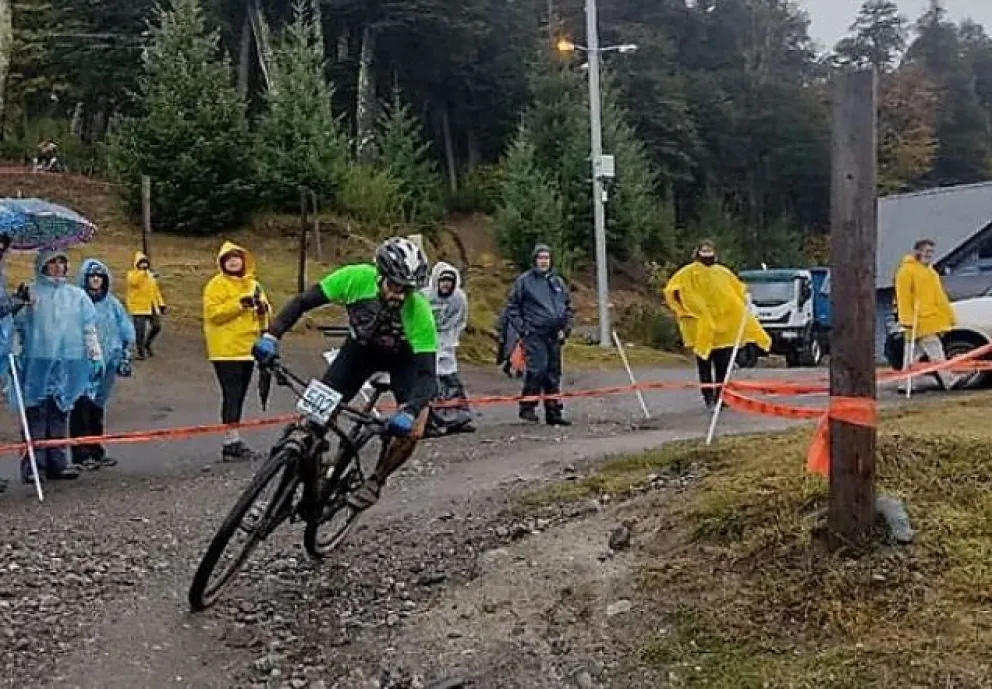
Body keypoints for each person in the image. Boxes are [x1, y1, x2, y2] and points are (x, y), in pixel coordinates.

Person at [252, 237, 437, 511]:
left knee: (415, 428)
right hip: (358, 353)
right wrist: (272, 336)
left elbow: (428, 376)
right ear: (380, 275)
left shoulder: (418, 311)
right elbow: (302, 302)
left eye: (408, 290)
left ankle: (376, 480)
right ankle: (285, 491)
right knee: (308, 423)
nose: (400, 295)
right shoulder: (354, 278)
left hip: (403, 361)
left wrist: (409, 411)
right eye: (396, 286)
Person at [12, 250, 104, 482]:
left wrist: (95, 355)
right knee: (36, 412)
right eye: (52, 263)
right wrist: (15, 352)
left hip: (68, 360)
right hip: (38, 360)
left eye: (61, 262)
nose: (57, 267)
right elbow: (18, 327)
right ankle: (34, 466)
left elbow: (88, 328)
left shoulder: (77, 296)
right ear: (42, 266)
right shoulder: (31, 293)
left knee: (60, 411)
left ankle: (58, 463)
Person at [663, 240, 771, 409]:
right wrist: (687, 310)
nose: (707, 254)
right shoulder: (687, 273)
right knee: (705, 366)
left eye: (710, 251)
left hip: (725, 331)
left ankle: (722, 396)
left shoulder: (723, 272)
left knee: (723, 367)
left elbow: (737, 291)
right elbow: (672, 291)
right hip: (703, 331)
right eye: (704, 251)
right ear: (697, 253)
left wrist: (745, 298)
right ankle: (709, 397)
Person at [203, 242, 271, 462]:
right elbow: (213, 314)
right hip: (225, 349)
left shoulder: (254, 284)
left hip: (248, 348)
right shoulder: (216, 284)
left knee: (240, 394)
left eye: (237, 257)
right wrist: (239, 304)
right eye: (228, 258)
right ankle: (230, 442)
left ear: (244, 260)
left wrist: (263, 310)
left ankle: (233, 439)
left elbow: (265, 313)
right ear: (222, 262)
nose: (233, 261)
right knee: (231, 393)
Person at [69, 260, 135, 469]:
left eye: (100, 276)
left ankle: (96, 449)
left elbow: (125, 329)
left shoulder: (112, 304)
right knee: (81, 407)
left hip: (107, 364)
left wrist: (124, 355)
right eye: (92, 276)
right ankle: (81, 453)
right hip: (82, 364)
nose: (96, 280)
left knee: (97, 407)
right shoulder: (77, 303)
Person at [502, 243, 574, 426]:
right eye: (541, 258)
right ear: (534, 260)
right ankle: (528, 406)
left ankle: (553, 411)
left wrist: (565, 329)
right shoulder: (524, 281)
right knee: (537, 370)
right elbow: (512, 307)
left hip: (554, 335)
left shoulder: (557, 282)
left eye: (547, 258)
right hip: (534, 334)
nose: (544, 261)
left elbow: (568, 307)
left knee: (553, 373)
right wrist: (523, 329)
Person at [894, 238, 961, 390]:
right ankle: (949, 380)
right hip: (919, 320)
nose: (929, 254)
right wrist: (906, 320)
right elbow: (903, 297)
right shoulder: (906, 271)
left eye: (931, 252)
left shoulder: (930, 272)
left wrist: (949, 315)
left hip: (930, 319)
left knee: (912, 355)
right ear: (917, 251)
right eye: (927, 251)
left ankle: (905, 383)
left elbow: (940, 296)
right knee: (935, 351)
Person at [423, 261, 475, 437]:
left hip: (447, 342)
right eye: (443, 280)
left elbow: (459, 320)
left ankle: (458, 419)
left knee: (451, 382)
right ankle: (432, 421)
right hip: (427, 342)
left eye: (449, 281)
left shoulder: (458, 299)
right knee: (431, 385)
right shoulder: (424, 297)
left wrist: (451, 340)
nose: (446, 284)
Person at [126, 252, 166, 359]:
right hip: (138, 307)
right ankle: (140, 352)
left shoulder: (150, 276)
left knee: (157, 326)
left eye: (145, 263)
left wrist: (161, 303)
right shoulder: (132, 274)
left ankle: (147, 344)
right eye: (141, 263)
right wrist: (143, 272)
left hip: (151, 306)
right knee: (140, 331)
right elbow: (134, 282)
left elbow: (155, 291)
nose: (144, 265)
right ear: (137, 264)